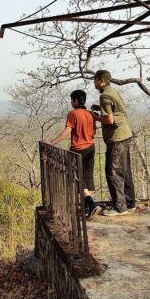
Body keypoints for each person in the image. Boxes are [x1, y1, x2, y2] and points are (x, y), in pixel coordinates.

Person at [48, 89, 101, 218]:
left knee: (78, 177)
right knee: (87, 176)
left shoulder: (73, 114)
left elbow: (67, 131)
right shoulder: (90, 114)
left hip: (78, 149)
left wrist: (52, 142)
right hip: (91, 147)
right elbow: (94, 132)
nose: (71, 103)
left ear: (76, 101)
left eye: (71, 100)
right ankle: (88, 209)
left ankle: (91, 204)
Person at [92, 69, 136, 215]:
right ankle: (129, 203)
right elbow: (116, 110)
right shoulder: (113, 91)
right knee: (125, 171)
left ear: (101, 81)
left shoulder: (104, 96)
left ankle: (119, 207)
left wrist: (96, 118)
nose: (94, 83)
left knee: (113, 172)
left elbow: (109, 120)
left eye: (95, 80)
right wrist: (100, 110)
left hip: (116, 138)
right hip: (125, 134)